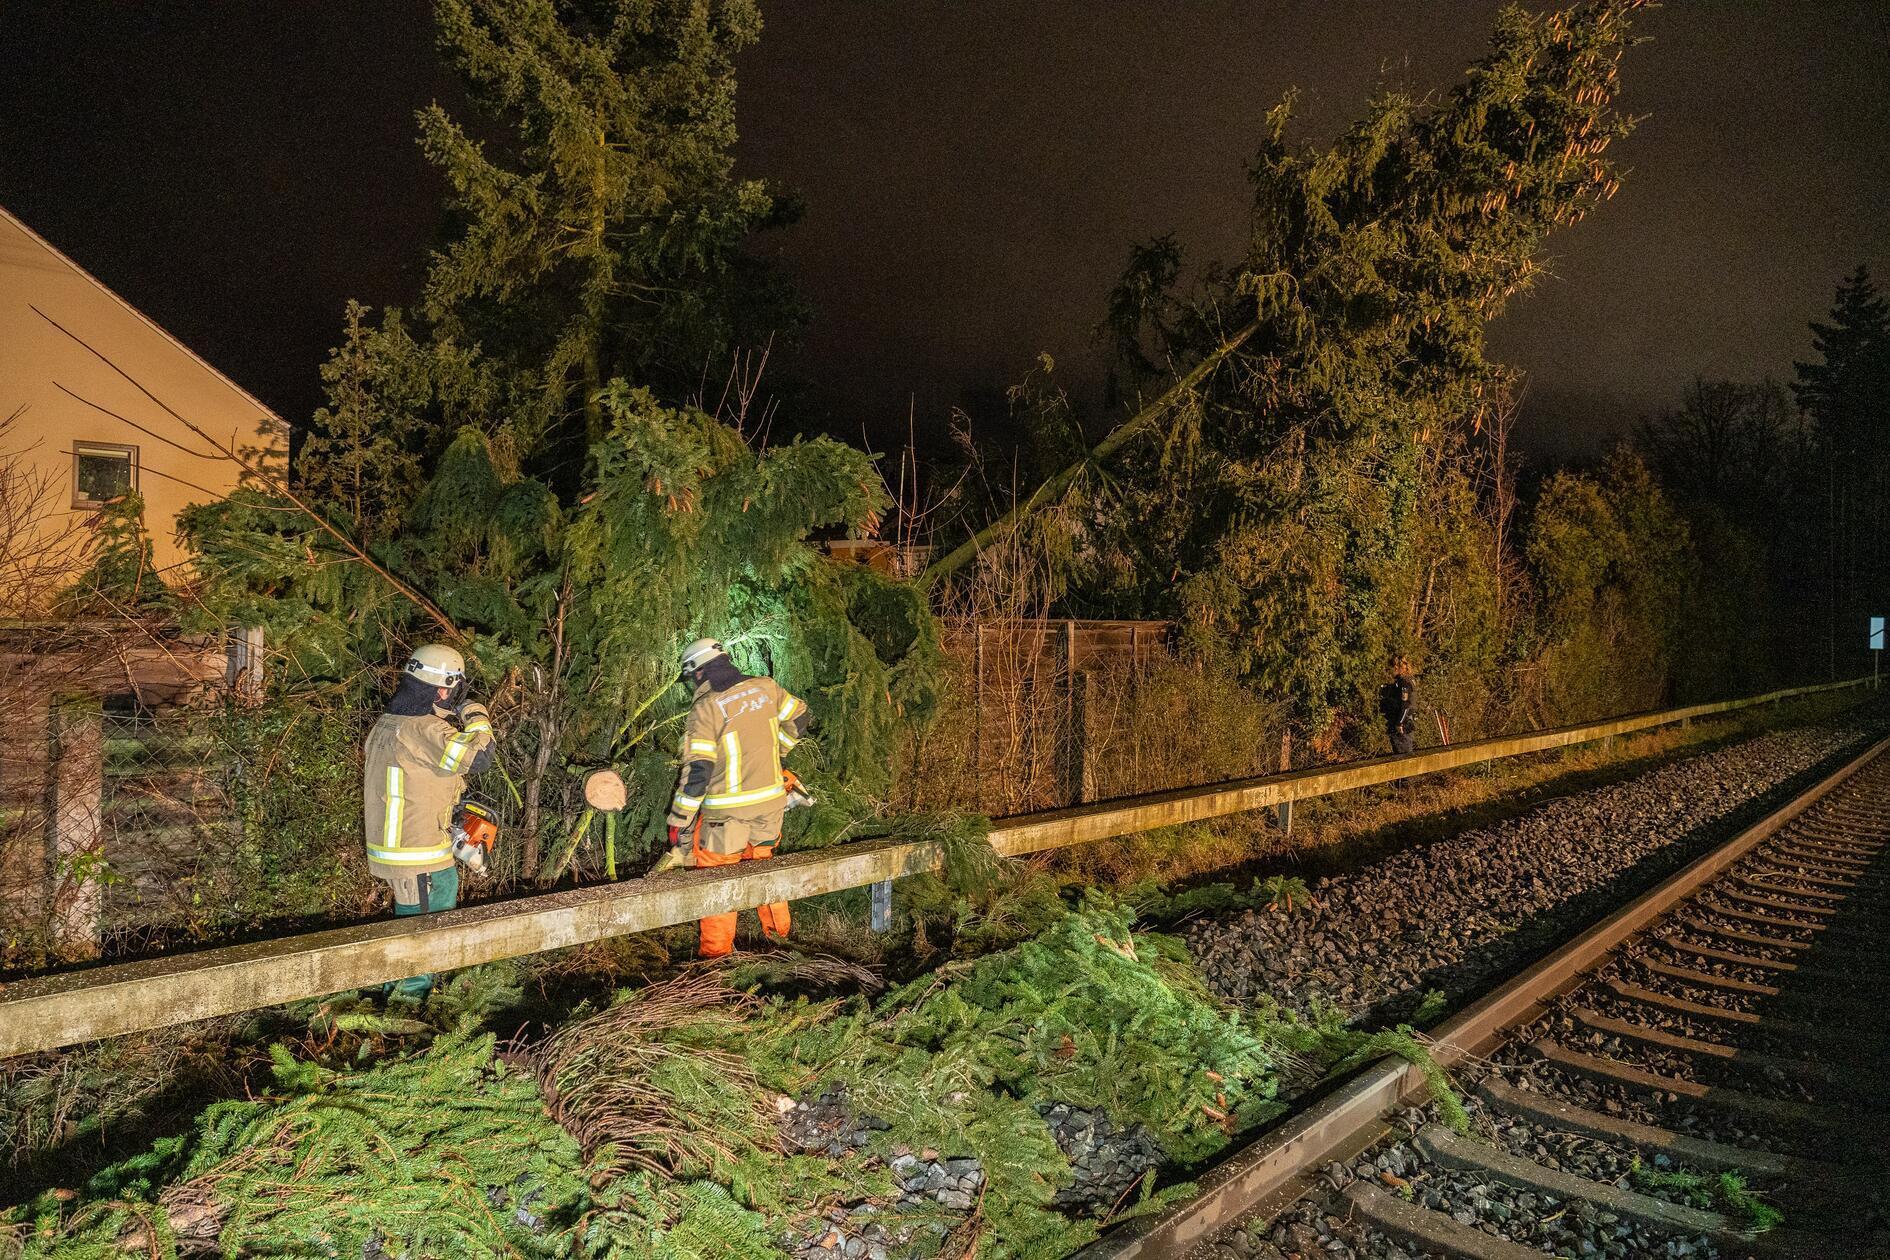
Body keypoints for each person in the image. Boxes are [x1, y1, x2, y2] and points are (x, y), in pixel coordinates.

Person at [654, 638, 811, 957]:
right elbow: (801, 718)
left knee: (718, 884)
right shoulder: (765, 687)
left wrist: (679, 821)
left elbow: (698, 772)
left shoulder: (706, 707)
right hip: (770, 806)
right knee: (763, 867)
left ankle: (715, 961)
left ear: (697, 673)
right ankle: (780, 942)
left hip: (728, 816)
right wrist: (778, 750)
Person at [362, 643, 496, 999]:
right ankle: (408, 1005)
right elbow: (479, 756)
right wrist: (475, 712)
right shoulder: (424, 730)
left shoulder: (389, 723)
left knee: (418, 925)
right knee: (421, 935)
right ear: (443, 688)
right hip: (415, 854)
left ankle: (397, 991)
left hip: (413, 846)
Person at [1379, 656, 1417, 755]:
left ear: (1396, 667)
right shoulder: (1405, 681)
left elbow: (1406, 705)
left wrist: (1399, 723)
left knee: (1403, 754)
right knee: (1402, 752)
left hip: (1402, 724)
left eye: (1390, 668)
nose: (1389, 671)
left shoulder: (1404, 683)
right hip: (1402, 721)